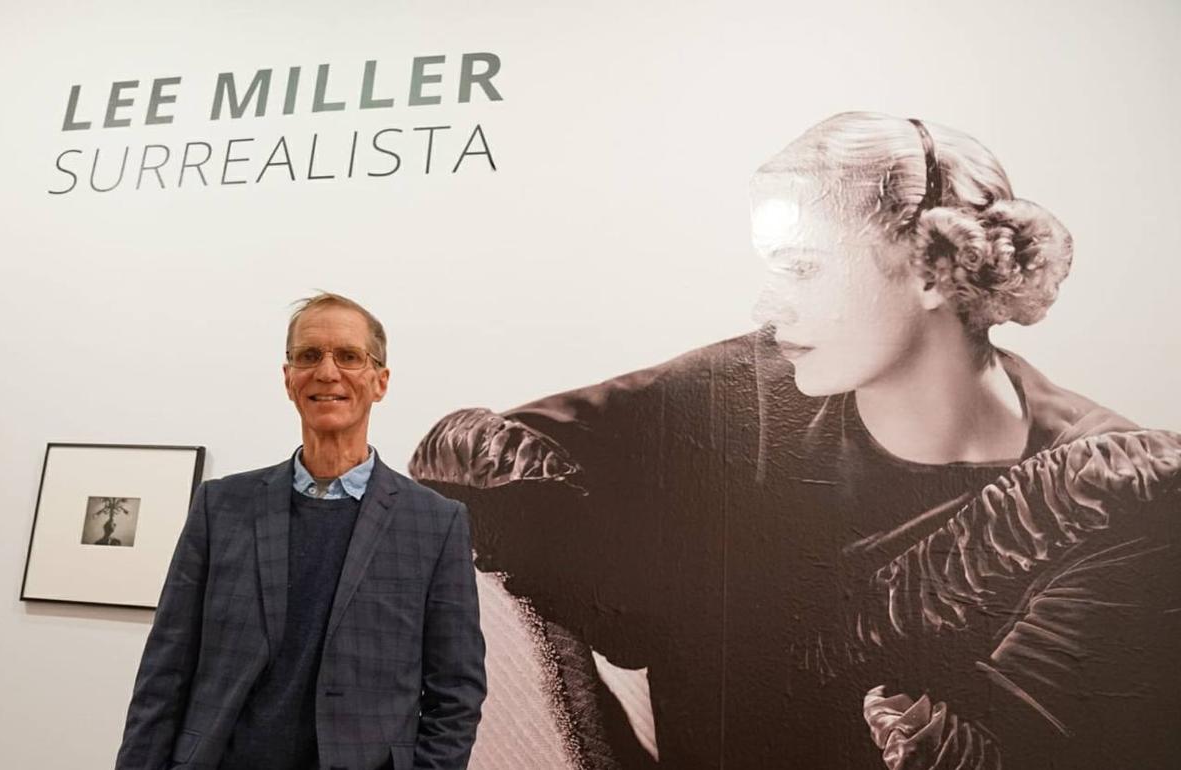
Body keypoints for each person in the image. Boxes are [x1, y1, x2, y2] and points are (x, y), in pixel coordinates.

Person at [409, 113, 1181, 769]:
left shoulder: (1119, 489)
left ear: (933, 272)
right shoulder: (732, 393)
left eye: (805, 267)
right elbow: (474, 475)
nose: (770, 302)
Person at [118, 293, 486, 770]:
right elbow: (164, 672)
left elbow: (456, 691)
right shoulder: (220, 506)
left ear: (380, 381)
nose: (327, 373)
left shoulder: (436, 523)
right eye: (308, 356)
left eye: (349, 357)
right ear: (288, 378)